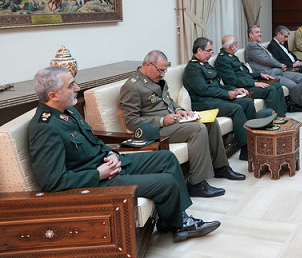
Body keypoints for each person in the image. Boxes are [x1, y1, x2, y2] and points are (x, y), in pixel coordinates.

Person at [28, 66, 219, 242]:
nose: (78, 88)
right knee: (166, 183)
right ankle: (180, 225)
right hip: (96, 180)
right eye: (71, 86)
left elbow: (93, 141)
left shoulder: (69, 111)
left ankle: (172, 220)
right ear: (53, 95)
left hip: (107, 164)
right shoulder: (44, 128)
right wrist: (98, 173)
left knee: (166, 157)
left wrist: (112, 154)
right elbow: (52, 182)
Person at [120, 50, 245, 199]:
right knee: (197, 129)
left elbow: (168, 101)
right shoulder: (132, 86)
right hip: (154, 130)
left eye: (165, 70)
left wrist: (179, 110)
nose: (163, 74)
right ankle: (197, 184)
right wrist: (162, 120)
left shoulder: (156, 80)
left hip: (172, 122)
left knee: (210, 122)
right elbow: (131, 122)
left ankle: (221, 167)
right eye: (160, 70)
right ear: (148, 65)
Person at [183, 37, 257, 161]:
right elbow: (204, 90)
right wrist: (226, 94)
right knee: (236, 108)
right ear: (199, 50)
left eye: (212, 51)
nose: (211, 54)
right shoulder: (192, 68)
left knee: (247, 102)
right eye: (209, 51)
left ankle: (254, 140)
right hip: (203, 103)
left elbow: (217, 86)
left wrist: (234, 89)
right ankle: (246, 150)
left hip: (214, 99)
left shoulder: (205, 65)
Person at [245, 25, 302, 113]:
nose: (260, 34)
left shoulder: (259, 45)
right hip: (268, 75)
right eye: (257, 32)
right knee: (293, 85)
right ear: (250, 35)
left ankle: (294, 104)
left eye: (260, 32)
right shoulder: (251, 46)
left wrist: (280, 66)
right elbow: (266, 60)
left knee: (300, 77)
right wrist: (280, 64)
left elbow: (270, 59)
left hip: (277, 71)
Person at [215, 35, 288, 117]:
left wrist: (259, 74)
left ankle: (281, 115)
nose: (237, 45)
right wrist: (254, 83)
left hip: (248, 83)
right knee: (270, 89)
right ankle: (274, 118)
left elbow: (244, 73)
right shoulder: (223, 60)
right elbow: (233, 81)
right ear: (231, 46)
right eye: (236, 43)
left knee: (277, 85)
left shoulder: (232, 57)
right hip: (242, 88)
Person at [267, 25, 302, 102]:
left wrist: (297, 61)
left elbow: (289, 54)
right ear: (279, 34)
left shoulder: (282, 43)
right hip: (289, 68)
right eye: (285, 36)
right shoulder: (272, 46)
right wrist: (293, 65)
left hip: (294, 64)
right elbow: (277, 61)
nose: (286, 39)